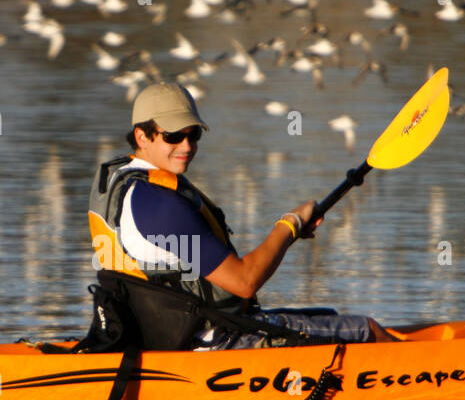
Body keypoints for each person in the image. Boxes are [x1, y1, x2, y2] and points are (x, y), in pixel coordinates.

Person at [87, 81, 394, 349]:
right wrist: (290, 224)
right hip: (210, 342)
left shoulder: (126, 186)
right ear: (142, 137)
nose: (187, 146)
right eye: (173, 136)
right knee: (367, 330)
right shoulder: (159, 203)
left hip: (164, 335)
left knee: (328, 317)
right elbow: (245, 282)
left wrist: (289, 234)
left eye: (193, 135)